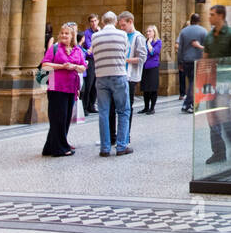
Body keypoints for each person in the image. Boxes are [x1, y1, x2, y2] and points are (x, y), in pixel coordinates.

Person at [203, 4, 231, 164]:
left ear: (220, 16)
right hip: (211, 82)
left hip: (225, 81)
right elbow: (205, 59)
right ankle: (218, 152)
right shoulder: (209, 36)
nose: (209, 17)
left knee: (223, 114)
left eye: (212, 14)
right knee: (212, 117)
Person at [90, 11, 132, 157]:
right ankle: (121, 146)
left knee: (103, 112)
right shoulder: (122, 35)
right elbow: (125, 52)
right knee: (123, 111)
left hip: (101, 77)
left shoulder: (95, 36)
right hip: (118, 75)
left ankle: (105, 148)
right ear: (115, 22)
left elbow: (93, 54)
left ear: (102, 22)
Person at [41, 22, 84, 156]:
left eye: (67, 33)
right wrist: (62, 66)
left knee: (65, 118)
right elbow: (45, 65)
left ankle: (50, 147)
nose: (64, 35)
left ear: (72, 36)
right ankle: (60, 148)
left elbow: (83, 66)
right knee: (57, 117)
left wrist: (74, 67)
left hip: (71, 87)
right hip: (56, 86)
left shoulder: (77, 50)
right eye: (62, 33)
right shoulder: (54, 48)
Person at [177, 13, 208, 113]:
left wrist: (180, 62)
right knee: (193, 82)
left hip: (186, 61)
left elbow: (180, 48)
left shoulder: (183, 31)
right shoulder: (203, 31)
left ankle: (191, 103)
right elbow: (207, 47)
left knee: (192, 81)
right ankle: (187, 104)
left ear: (190, 20)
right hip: (198, 61)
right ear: (199, 21)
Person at [140, 25, 161, 114]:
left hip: (153, 67)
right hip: (145, 66)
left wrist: (149, 43)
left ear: (154, 32)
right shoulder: (144, 41)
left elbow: (153, 52)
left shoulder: (158, 42)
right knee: (145, 88)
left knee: (152, 88)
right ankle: (146, 107)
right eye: (147, 31)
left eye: (150, 31)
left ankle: (152, 108)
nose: (148, 33)